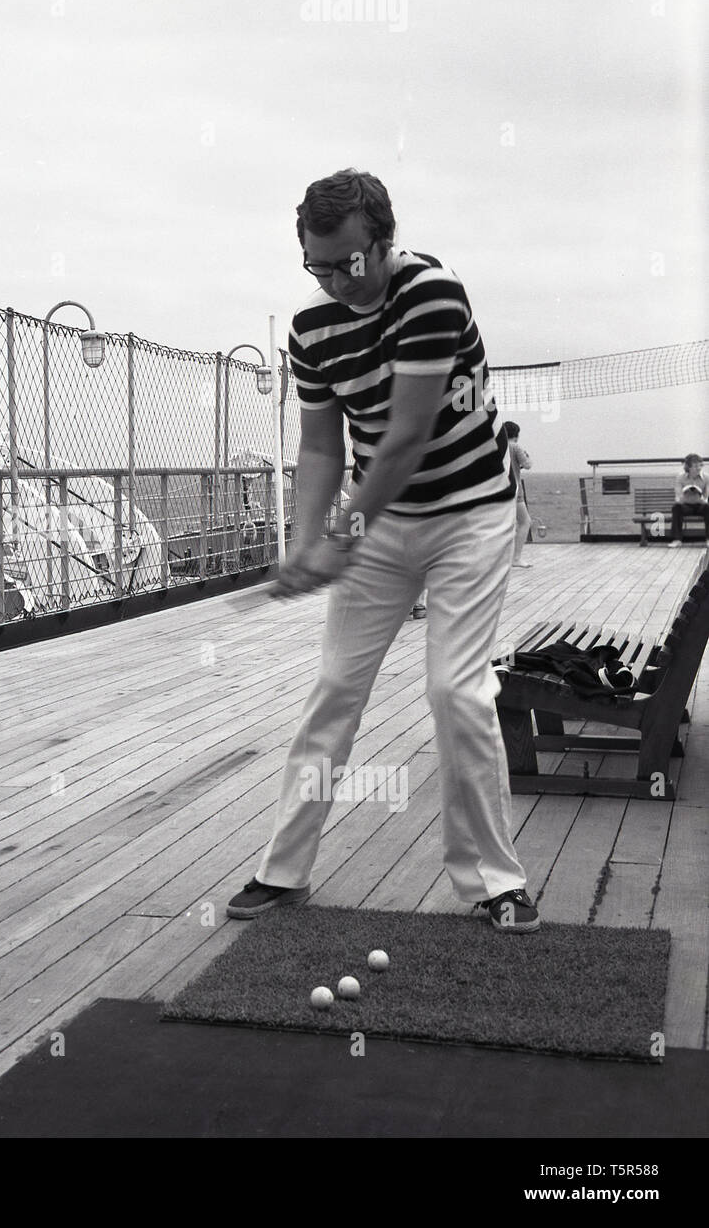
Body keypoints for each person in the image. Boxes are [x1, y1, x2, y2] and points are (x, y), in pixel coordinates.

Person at [227, 168, 540, 933]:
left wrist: (341, 537)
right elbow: (323, 452)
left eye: (348, 262)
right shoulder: (310, 331)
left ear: (384, 242)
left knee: (454, 691)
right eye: (318, 266)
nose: (336, 280)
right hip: (384, 524)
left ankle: (494, 880)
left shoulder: (432, 293)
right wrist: (304, 544)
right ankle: (284, 870)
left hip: (471, 513)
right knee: (335, 688)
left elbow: (404, 439)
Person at [506, 421, 533, 567]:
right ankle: (516, 558)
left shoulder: (498, 446)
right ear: (516, 434)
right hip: (515, 491)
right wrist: (526, 457)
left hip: (498, 490)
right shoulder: (515, 447)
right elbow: (527, 464)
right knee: (524, 521)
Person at [670, 453, 706, 545]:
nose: (699, 468)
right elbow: (678, 496)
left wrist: (702, 498)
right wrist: (683, 496)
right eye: (695, 466)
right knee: (676, 507)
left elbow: (707, 497)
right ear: (688, 467)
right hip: (686, 506)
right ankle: (677, 539)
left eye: (700, 465)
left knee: (708, 507)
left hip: (701, 506)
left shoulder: (707, 478)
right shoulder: (680, 478)